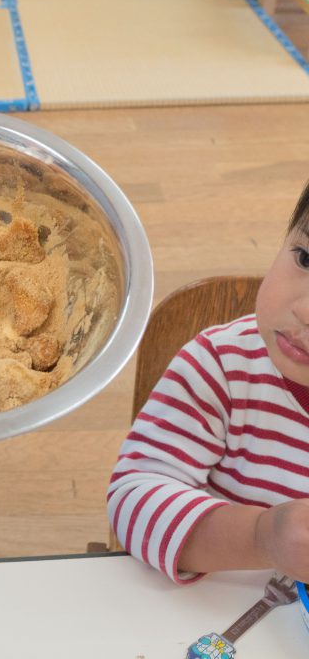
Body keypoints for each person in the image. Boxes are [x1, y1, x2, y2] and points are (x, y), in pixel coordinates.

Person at [107, 180, 309, 585]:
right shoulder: (223, 366)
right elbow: (132, 501)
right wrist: (261, 538)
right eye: (306, 258)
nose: (304, 311)